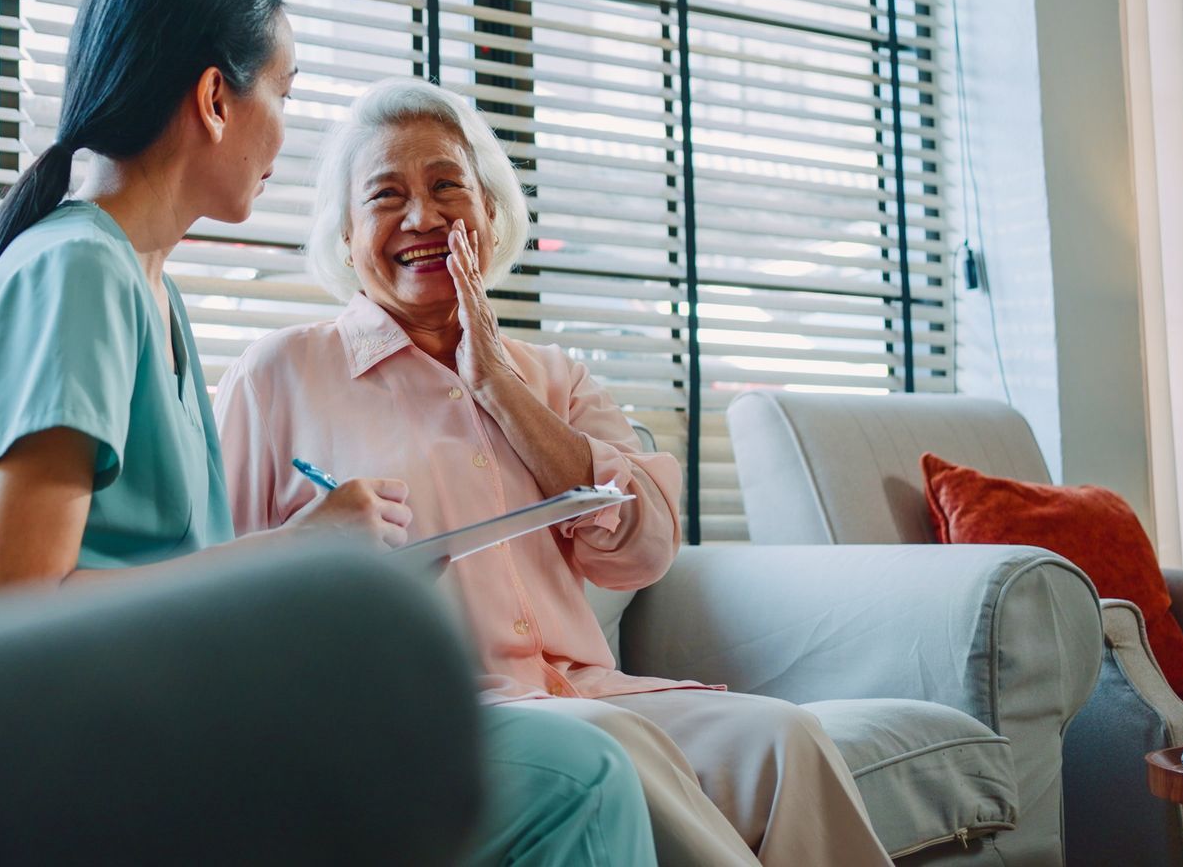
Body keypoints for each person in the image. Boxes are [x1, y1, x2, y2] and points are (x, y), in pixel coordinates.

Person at [0, 0, 656, 866]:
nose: (287, 134)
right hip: (86, 749)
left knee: (564, 761)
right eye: (286, 92)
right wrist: (294, 551)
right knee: (578, 778)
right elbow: (18, 613)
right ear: (216, 100)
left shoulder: (147, 289)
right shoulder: (77, 275)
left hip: (168, 719)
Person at [215, 77, 895, 867]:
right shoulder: (278, 375)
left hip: (584, 690)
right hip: (430, 718)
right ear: (345, 234)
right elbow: (208, 594)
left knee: (788, 739)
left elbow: (644, 551)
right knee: (606, 748)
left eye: (447, 188)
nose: (422, 217)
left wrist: (499, 385)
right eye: (386, 195)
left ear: (490, 214)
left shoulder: (555, 377)